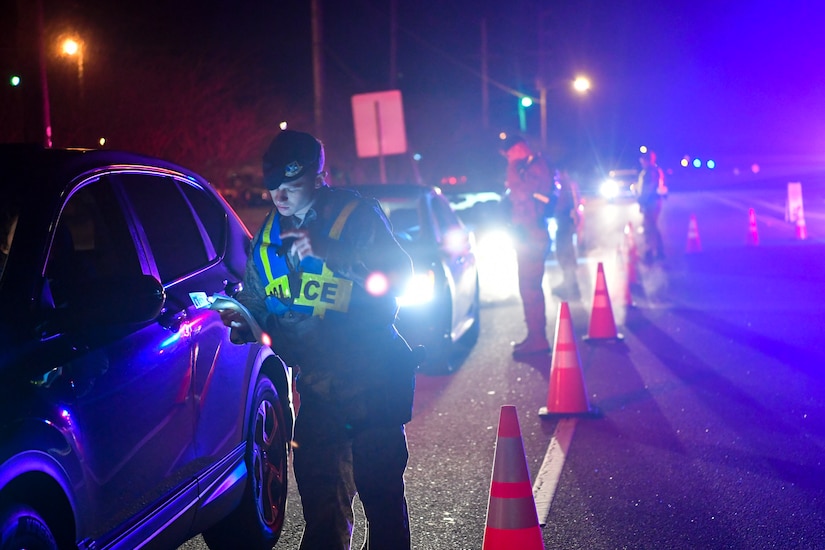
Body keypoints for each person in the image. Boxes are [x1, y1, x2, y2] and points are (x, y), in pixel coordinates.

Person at [221, 129, 417, 549]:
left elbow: (400, 278)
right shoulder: (269, 236)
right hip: (317, 389)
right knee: (321, 507)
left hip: (373, 380)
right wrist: (245, 321)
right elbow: (258, 297)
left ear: (316, 177)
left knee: (381, 500)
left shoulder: (355, 215)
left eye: (290, 186)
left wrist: (333, 254)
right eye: (273, 188)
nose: (281, 197)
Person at [500, 134, 555, 357]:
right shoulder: (531, 167)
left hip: (532, 234)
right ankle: (534, 335)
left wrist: (513, 166)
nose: (508, 157)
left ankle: (538, 339)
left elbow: (519, 192)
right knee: (528, 287)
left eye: (510, 153)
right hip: (528, 234)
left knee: (530, 287)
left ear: (520, 148)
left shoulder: (535, 168)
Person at [551, 169, 582, 300]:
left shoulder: (564, 186)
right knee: (566, 253)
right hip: (566, 224)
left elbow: (560, 206)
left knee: (564, 254)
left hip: (564, 224)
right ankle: (571, 285)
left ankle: (571, 287)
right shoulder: (568, 185)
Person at [636, 150, 666, 262]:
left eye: (643, 160)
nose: (641, 162)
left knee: (650, 227)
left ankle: (652, 251)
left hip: (651, 203)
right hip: (651, 202)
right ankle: (657, 251)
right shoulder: (649, 171)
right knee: (651, 227)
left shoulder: (651, 172)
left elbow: (648, 189)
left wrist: (642, 201)